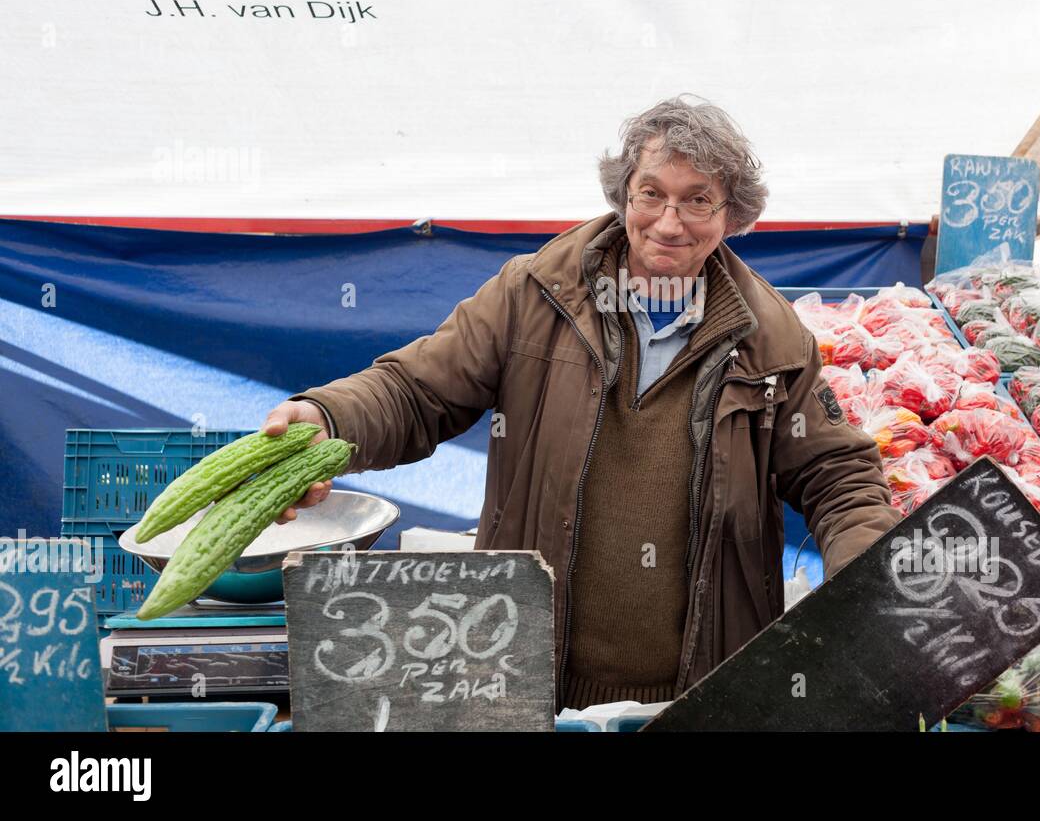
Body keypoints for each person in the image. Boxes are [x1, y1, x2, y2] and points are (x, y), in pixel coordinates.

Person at [260, 94, 899, 712]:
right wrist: (329, 417)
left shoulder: (774, 338)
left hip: (698, 691)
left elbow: (835, 475)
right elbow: (415, 389)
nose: (669, 222)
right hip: (528, 675)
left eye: (697, 200)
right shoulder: (534, 293)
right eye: (652, 193)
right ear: (624, 195)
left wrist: (868, 581)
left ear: (732, 216)